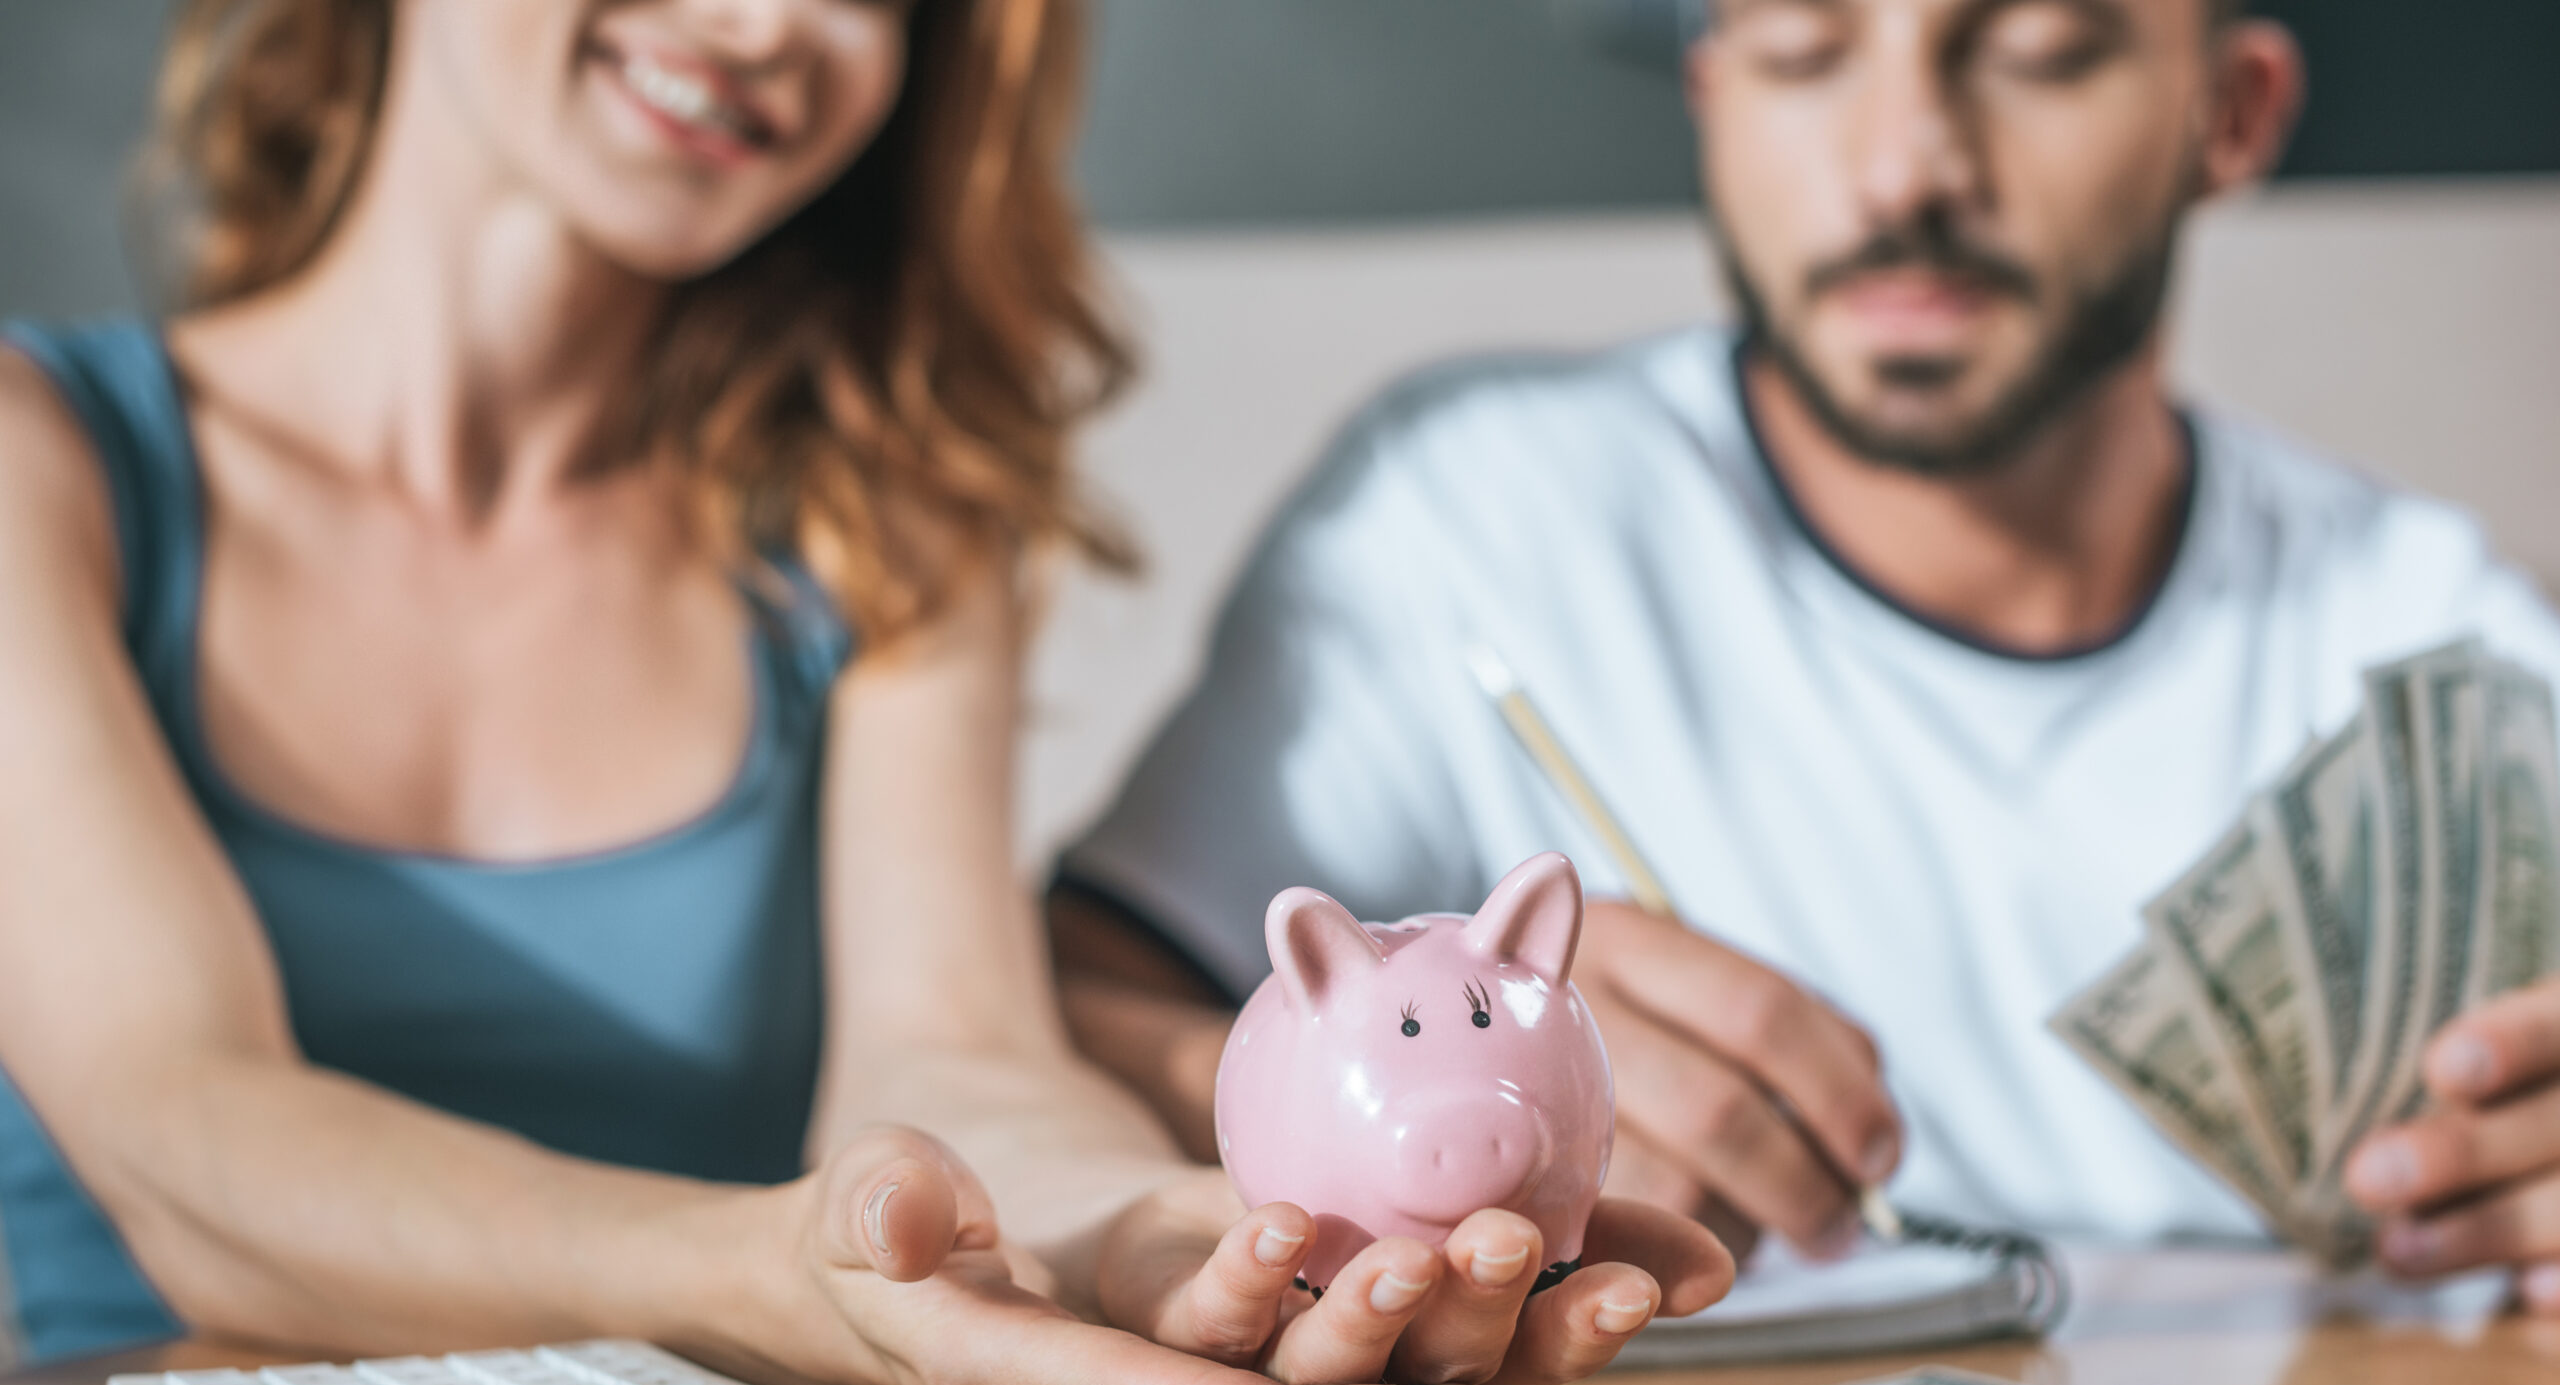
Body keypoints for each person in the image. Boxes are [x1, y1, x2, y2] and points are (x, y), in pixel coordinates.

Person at [0, 0, 1730, 1385]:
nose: (765, 26)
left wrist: (1141, 1242)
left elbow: (957, 1051)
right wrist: (773, 1275)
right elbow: (184, 1136)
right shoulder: (46, 462)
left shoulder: (879, 512)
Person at [1051, 0, 2560, 1313]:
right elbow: (1038, 1022)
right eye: (1800, 51)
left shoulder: (2421, 619)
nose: (1904, 166)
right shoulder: (1463, 515)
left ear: (2227, 116)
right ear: (1712, 99)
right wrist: (1363, 1092)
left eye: (2038, 52)